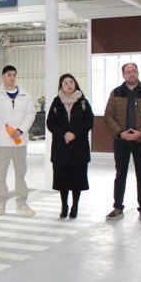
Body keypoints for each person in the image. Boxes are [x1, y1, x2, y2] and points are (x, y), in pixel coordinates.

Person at [103, 62, 141, 222]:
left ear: (138, 73)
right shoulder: (116, 93)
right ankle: (118, 208)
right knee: (120, 175)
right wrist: (121, 133)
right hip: (121, 140)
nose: (131, 74)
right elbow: (108, 115)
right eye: (127, 72)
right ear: (123, 75)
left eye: (133, 71)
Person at [0, 65, 37, 217]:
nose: (12, 77)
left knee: (20, 174)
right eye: (9, 75)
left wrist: (20, 130)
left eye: (14, 74)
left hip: (20, 142)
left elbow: (30, 115)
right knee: (1, 175)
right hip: (2, 142)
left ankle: (22, 204)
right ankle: (0, 204)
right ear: (3, 77)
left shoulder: (25, 96)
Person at [47, 74, 94, 219]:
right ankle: (64, 206)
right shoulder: (56, 103)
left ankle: (75, 206)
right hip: (61, 148)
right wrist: (64, 134)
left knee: (77, 180)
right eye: (65, 82)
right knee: (63, 180)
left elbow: (89, 122)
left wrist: (74, 134)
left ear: (75, 84)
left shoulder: (83, 102)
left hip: (79, 147)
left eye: (71, 82)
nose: (68, 84)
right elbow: (50, 123)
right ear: (61, 86)